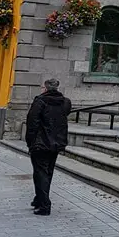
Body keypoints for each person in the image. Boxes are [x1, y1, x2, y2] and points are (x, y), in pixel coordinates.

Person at [25, 77, 72, 215]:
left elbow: (32, 123)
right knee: (47, 172)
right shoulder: (65, 102)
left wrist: (30, 142)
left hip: (41, 143)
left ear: (45, 88)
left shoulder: (40, 102)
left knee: (40, 172)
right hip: (57, 143)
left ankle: (44, 204)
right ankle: (39, 198)